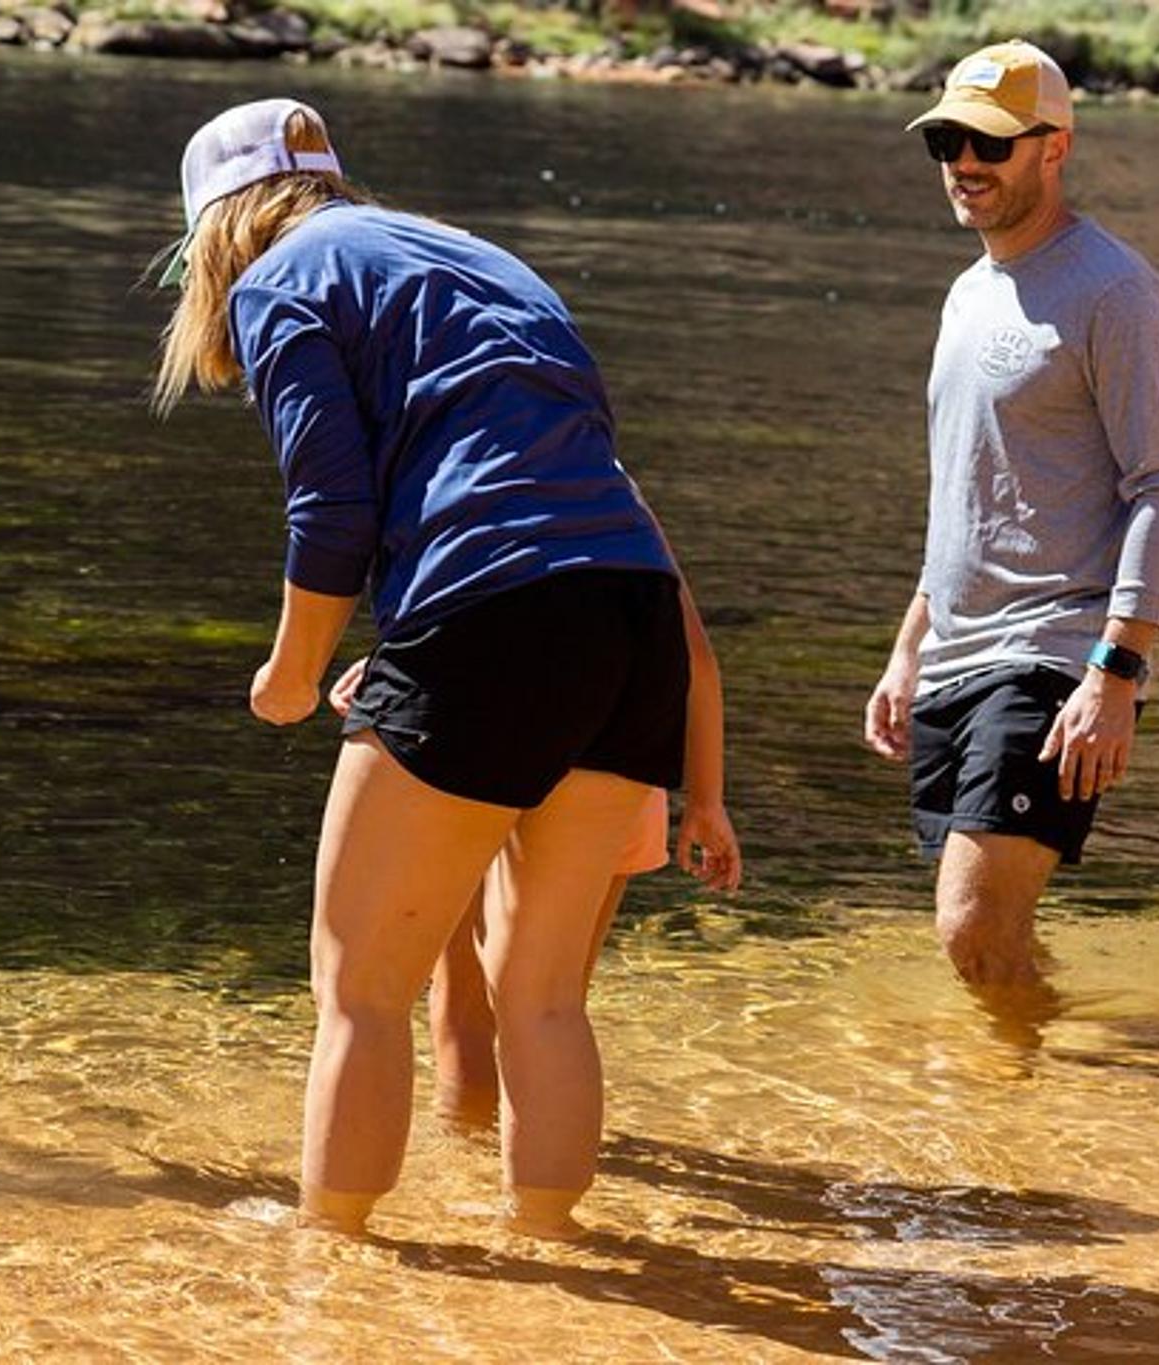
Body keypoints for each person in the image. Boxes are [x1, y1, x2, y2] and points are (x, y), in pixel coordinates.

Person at [153, 98, 734, 1238]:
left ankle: (332, 1252)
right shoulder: (482, 262)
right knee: (547, 997)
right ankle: (550, 1239)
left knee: (358, 989)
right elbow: (533, 475)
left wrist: (290, 669)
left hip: (496, 617)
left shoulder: (281, 281)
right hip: (629, 618)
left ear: (216, 227)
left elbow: (331, 508)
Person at [864, 41, 1159, 1036]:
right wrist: (908, 646)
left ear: (1053, 147)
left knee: (967, 925)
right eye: (946, 139)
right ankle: (1031, 1110)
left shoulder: (1112, 292)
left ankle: (1017, 1158)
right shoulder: (969, 290)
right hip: (955, 655)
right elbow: (968, 492)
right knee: (988, 941)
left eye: (990, 143)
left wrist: (1115, 671)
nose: (963, 161)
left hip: (1054, 654)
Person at [329, 583, 741, 1130]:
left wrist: (393, 665)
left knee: (462, 1005)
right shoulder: (618, 510)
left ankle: (466, 1171)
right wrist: (707, 800)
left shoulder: (474, 502)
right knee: (552, 1009)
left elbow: (470, 624)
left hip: (478, 737)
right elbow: (697, 661)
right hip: (615, 759)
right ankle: (542, 1197)